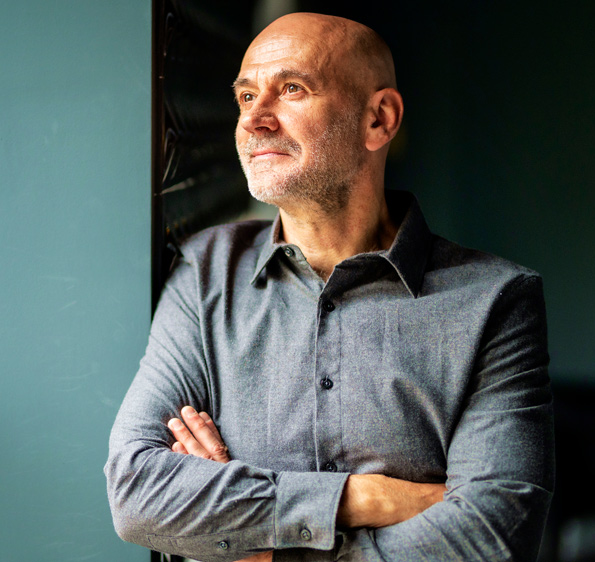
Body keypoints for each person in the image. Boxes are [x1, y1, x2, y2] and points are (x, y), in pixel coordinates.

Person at [105, 12, 553, 562]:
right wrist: (357, 499)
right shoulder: (203, 272)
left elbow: (494, 537)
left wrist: (258, 548)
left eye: (291, 89)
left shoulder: (497, 301)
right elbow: (136, 491)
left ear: (378, 119)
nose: (255, 121)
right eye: (246, 97)